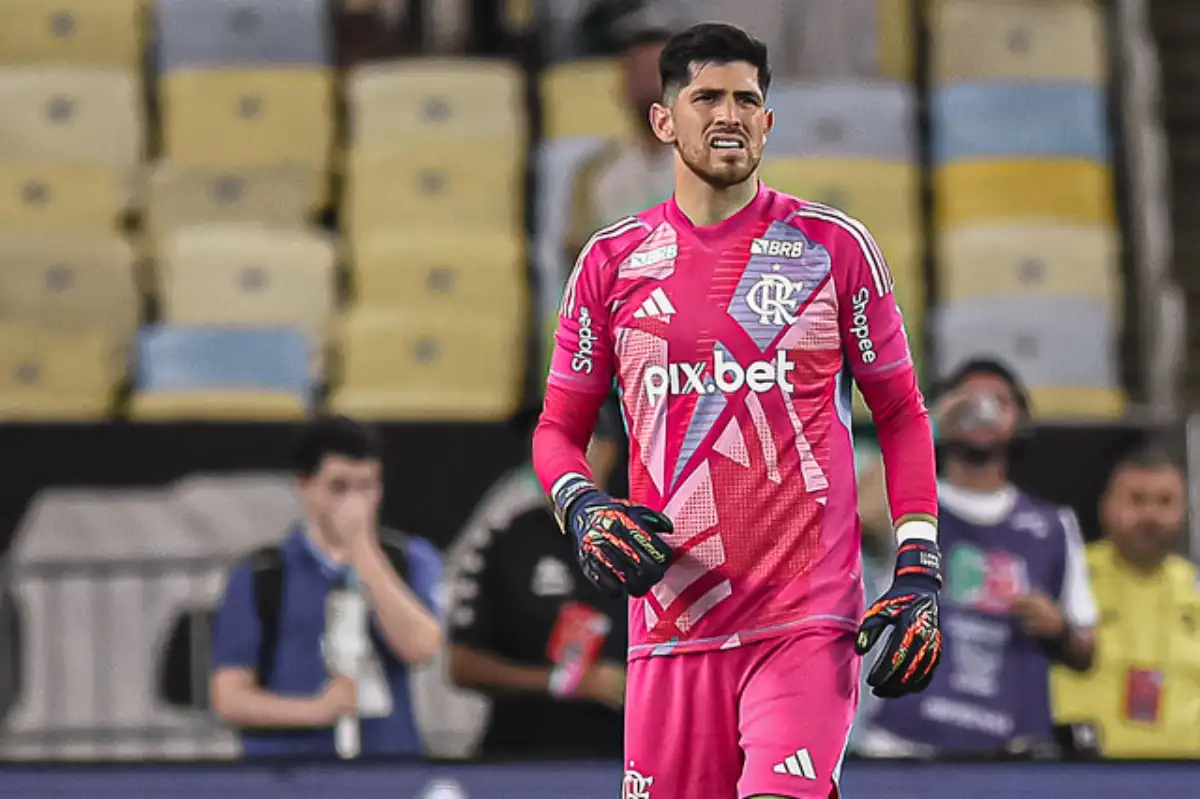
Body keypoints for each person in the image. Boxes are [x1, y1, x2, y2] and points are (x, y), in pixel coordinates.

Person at [532, 23, 942, 799]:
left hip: (806, 618)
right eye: (707, 97)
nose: (730, 114)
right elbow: (558, 429)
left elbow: (901, 410)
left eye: (748, 99)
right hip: (671, 625)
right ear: (663, 121)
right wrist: (583, 507)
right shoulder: (610, 263)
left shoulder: (833, 248)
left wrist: (918, 559)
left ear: (768, 121)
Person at [856, 358, 1098, 757]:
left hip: (1014, 752)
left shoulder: (1053, 525)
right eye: (967, 400)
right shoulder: (911, 505)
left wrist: (1058, 629)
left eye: (999, 401)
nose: (981, 410)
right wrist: (924, 425)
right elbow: (862, 513)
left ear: (1020, 420)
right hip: (903, 748)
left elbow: (1086, 651)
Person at [209, 415, 443, 757]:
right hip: (289, 772)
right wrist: (317, 710)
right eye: (339, 487)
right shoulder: (262, 573)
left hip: (387, 769)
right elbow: (229, 697)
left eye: (367, 487)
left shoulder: (409, 559)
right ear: (305, 486)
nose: (355, 503)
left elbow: (421, 646)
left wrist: (363, 548)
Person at [447, 394, 629, 759]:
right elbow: (462, 665)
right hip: (523, 758)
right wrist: (561, 683)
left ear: (607, 450)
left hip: (624, 760)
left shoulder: (646, 538)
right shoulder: (505, 538)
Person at [1052, 444, 1200, 758]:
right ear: (1105, 505)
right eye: (1136, 500)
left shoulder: (1195, 587)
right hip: (1086, 775)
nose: (1151, 514)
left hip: (1187, 777)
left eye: (1165, 502)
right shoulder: (1066, 577)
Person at [565, 24, 676, 264]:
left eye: (658, 73)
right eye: (640, 74)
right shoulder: (596, 171)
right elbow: (576, 253)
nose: (650, 85)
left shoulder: (717, 169)